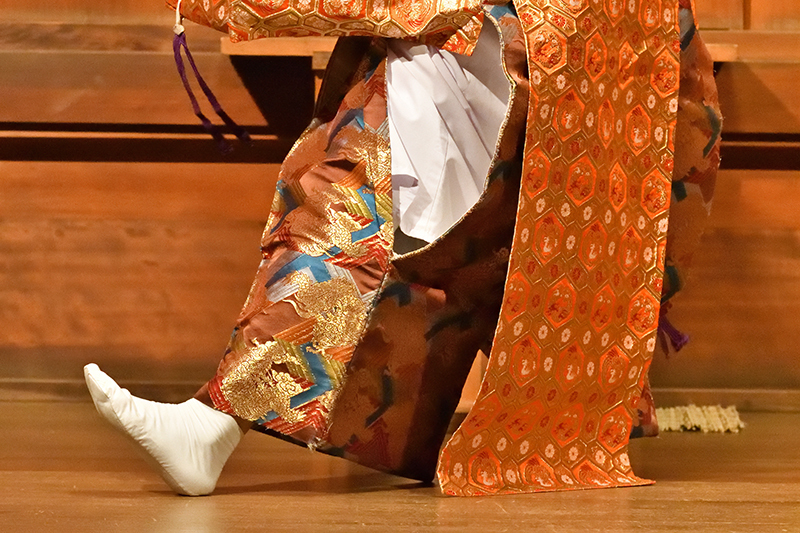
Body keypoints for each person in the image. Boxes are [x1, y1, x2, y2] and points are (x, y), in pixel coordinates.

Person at [86, 0, 721, 496]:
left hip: (551, 52)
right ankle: (213, 425)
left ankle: (212, 428)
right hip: (566, 51)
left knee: (361, 206)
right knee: (364, 209)